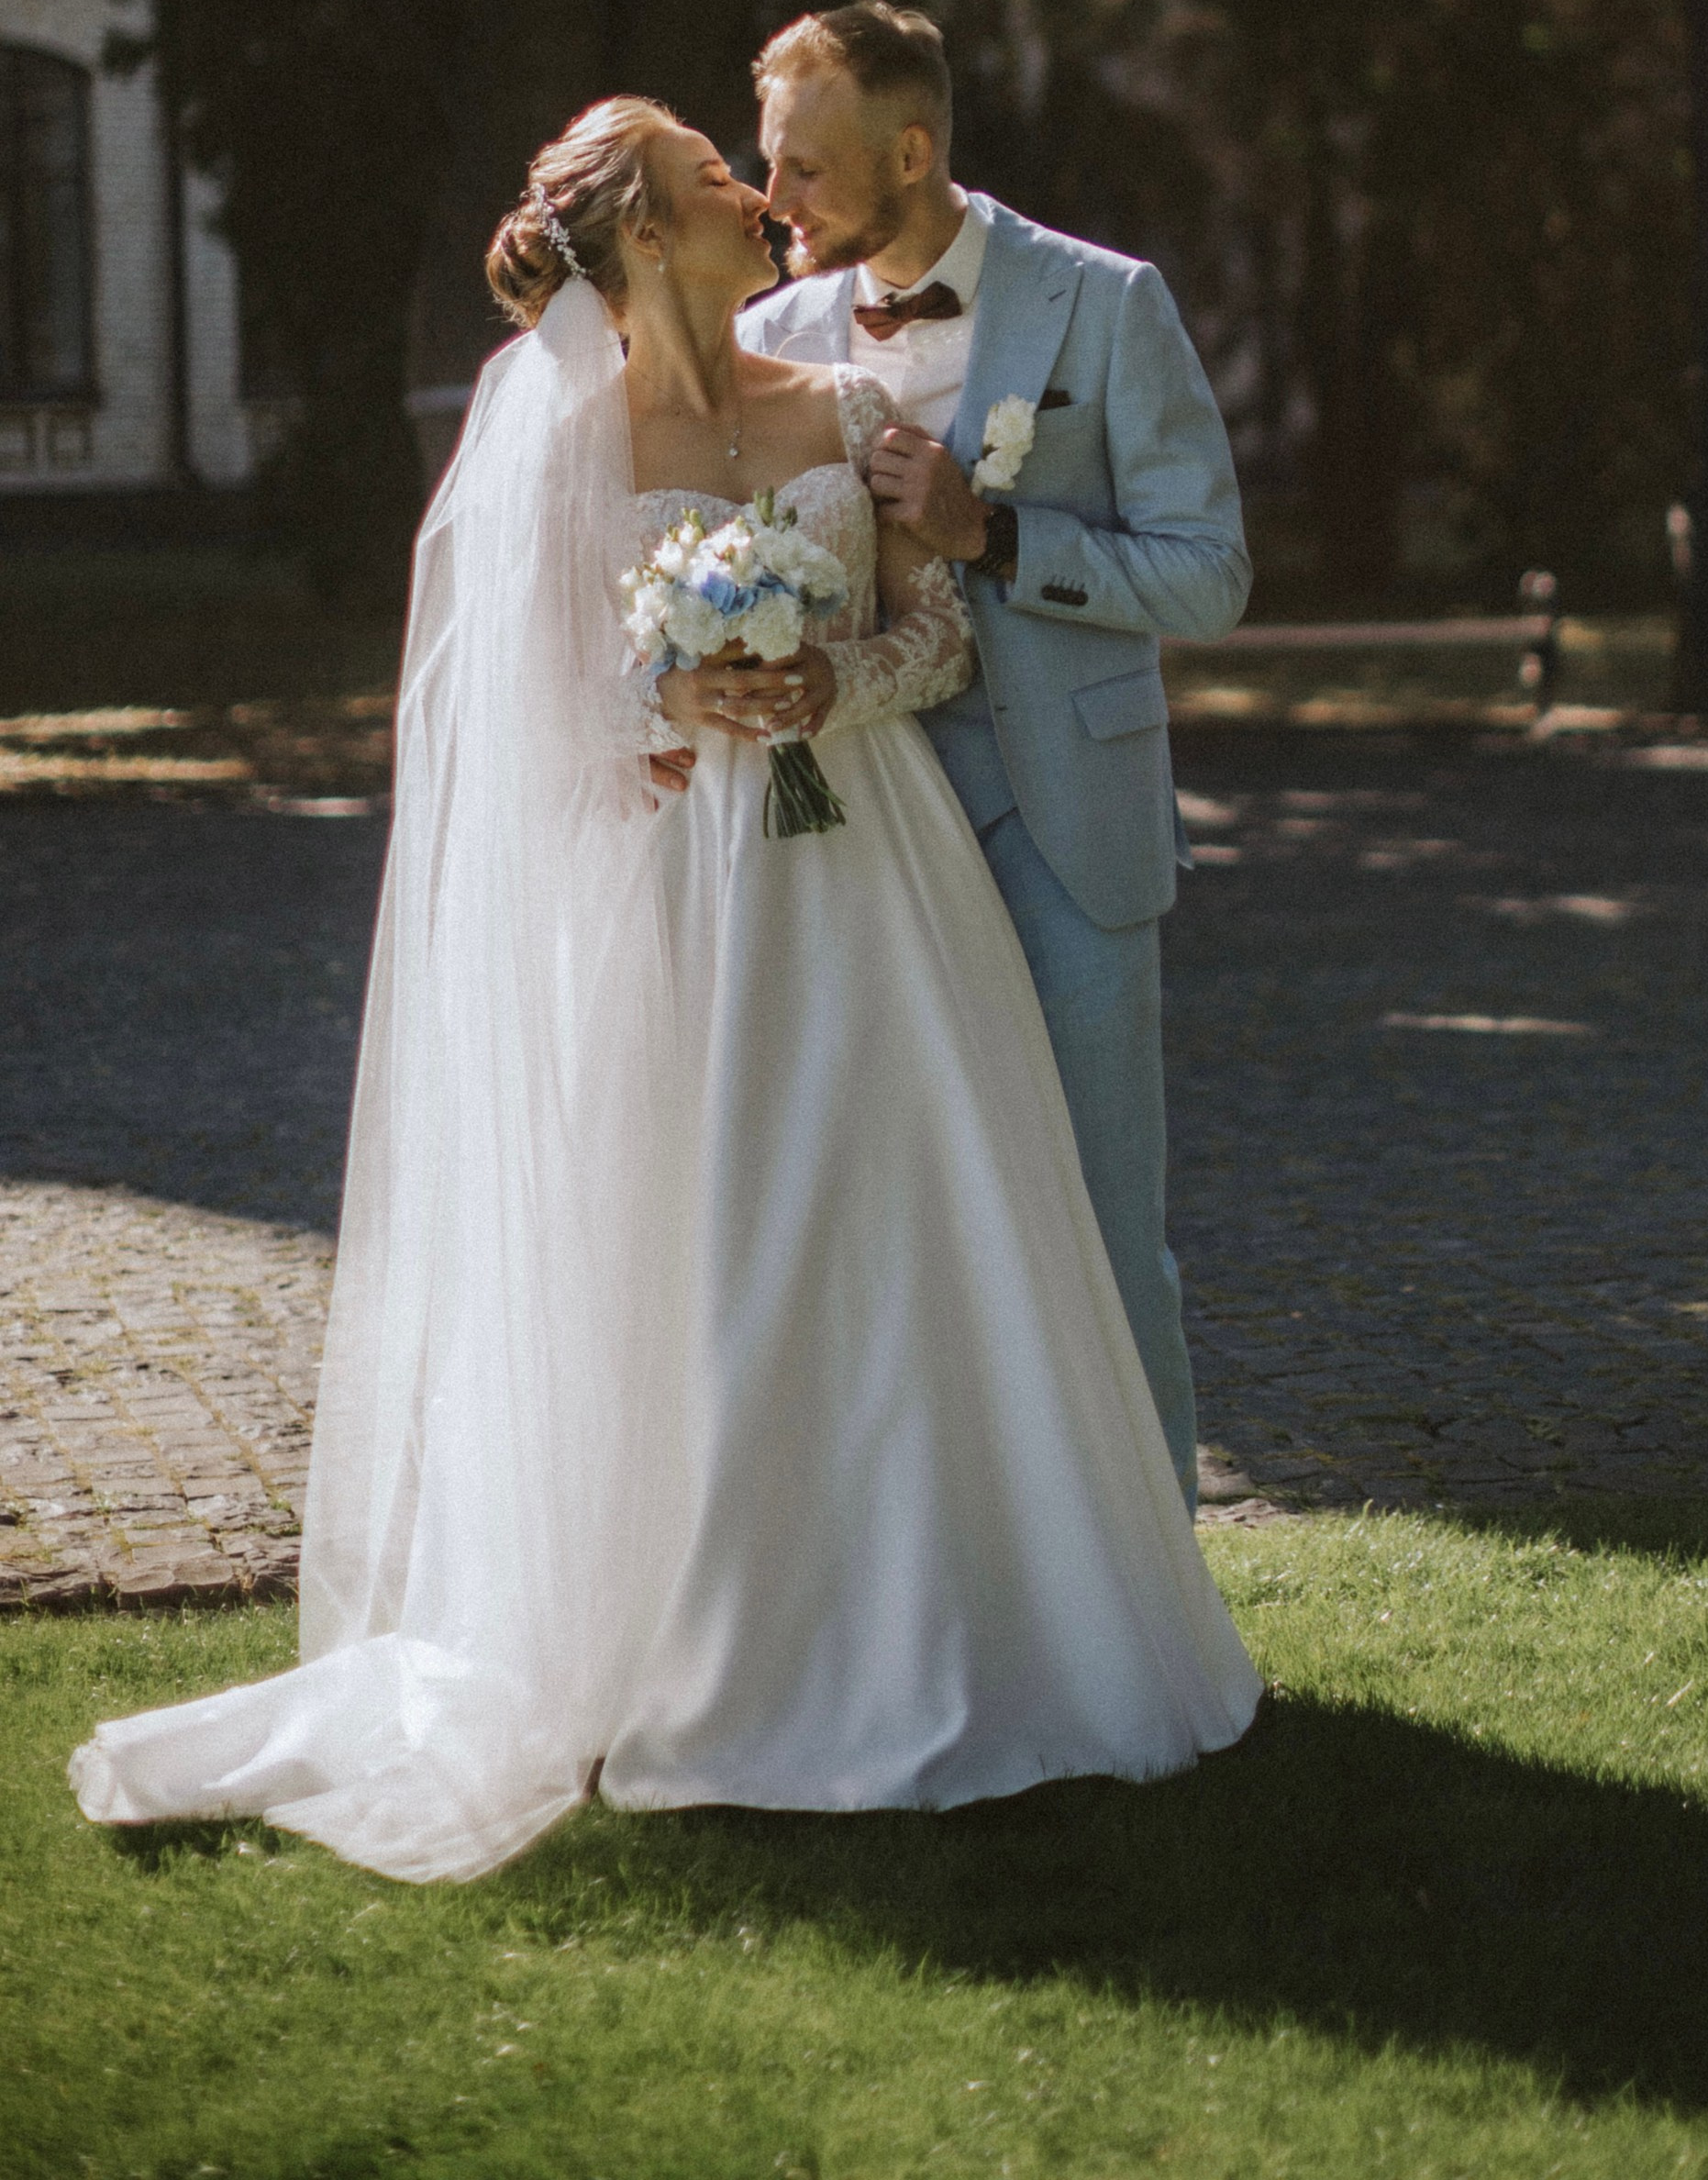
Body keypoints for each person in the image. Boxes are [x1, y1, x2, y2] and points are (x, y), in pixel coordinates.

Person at [69, 99, 1257, 1883]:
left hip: (870, 870)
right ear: (639, 234)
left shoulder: (840, 407)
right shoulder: (552, 430)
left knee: (899, 1232)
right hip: (661, 900)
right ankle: (690, 1632)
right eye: (717, 172)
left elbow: (932, 636)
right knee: (689, 1241)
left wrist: (825, 683)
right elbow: (521, 703)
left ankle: (954, 1612)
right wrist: (671, 707)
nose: (754, 190)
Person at [742, 3, 1252, 1509]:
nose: (778, 203)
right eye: (771, 164)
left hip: (1065, 826)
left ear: (914, 150)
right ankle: (964, 1586)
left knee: (1101, 1226)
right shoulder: (769, 336)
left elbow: (1210, 572)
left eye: (810, 169)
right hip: (856, 834)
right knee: (888, 1229)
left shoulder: (1105, 305)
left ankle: (1154, 1601)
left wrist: (997, 533)